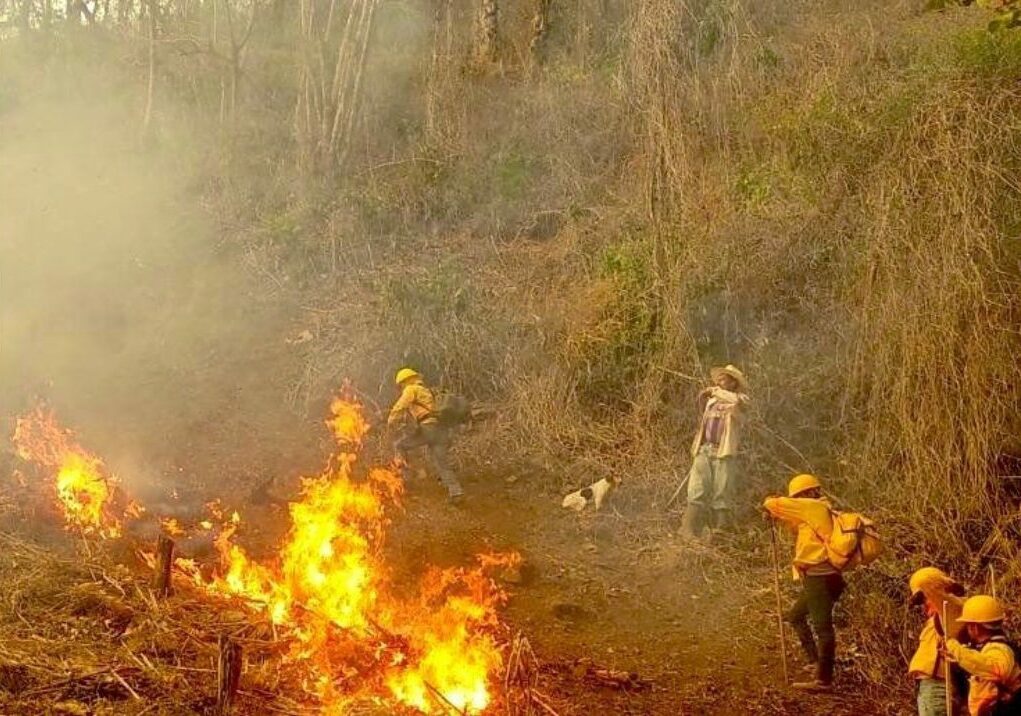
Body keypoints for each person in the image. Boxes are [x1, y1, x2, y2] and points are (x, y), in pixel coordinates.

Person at [763, 473, 844, 692]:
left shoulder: (811, 507)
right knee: (796, 616)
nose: (796, 502)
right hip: (824, 577)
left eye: (797, 497)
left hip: (820, 577)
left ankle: (824, 680)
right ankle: (816, 662)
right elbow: (794, 523)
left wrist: (771, 507)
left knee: (823, 628)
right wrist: (777, 518)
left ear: (807, 494)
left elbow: (773, 503)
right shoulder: (818, 509)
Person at [679, 364, 750, 539]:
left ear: (733, 383)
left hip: (724, 451)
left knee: (722, 490)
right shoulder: (711, 400)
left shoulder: (741, 399)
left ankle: (720, 530)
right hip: (704, 449)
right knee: (696, 488)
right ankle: (686, 528)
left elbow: (736, 402)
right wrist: (709, 394)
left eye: (724, 378)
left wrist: (713, 390)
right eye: (719, 378)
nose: (719, 381)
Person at [387, 367, 464, 504]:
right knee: (441, 462)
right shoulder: (427, 391)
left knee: (399, 445)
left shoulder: (411, 389)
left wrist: (391, 421)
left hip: (428, 429)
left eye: (401, 385)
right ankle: (456, 492)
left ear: (405, 381)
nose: (401, 388)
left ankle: (406, 480)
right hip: (441, 431)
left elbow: (401, 406)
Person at [944, 595, 1021, 715]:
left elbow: (990, 667)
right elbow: (978, 663)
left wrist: (954, 648)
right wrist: (957, 660)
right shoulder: (990, 649)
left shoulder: (999, 649)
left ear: (974, 627)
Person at [909, 567, 967, 716]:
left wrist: (936, 584)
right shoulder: (940, 617)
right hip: (936, 685)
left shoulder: (954, 608)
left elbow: (924, 580)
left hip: (937, 685)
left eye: (923, 598)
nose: (923, 605)